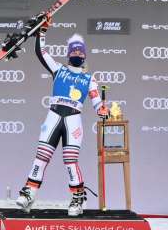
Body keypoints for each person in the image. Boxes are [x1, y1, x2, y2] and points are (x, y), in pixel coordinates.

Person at [16, 15, 109, 216]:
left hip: (73, 119)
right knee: (41, 156)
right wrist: (42, 31)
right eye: (73, 51)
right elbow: (41, 53)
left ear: (84, 56)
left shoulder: (89, 78)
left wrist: (102, 110)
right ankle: (29, 192)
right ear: (68, 54)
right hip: (54, 116)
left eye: (79, 51)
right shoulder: (58, 69)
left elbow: (96, 100)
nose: (76, 53)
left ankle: (77, 199)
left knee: (70, 160)